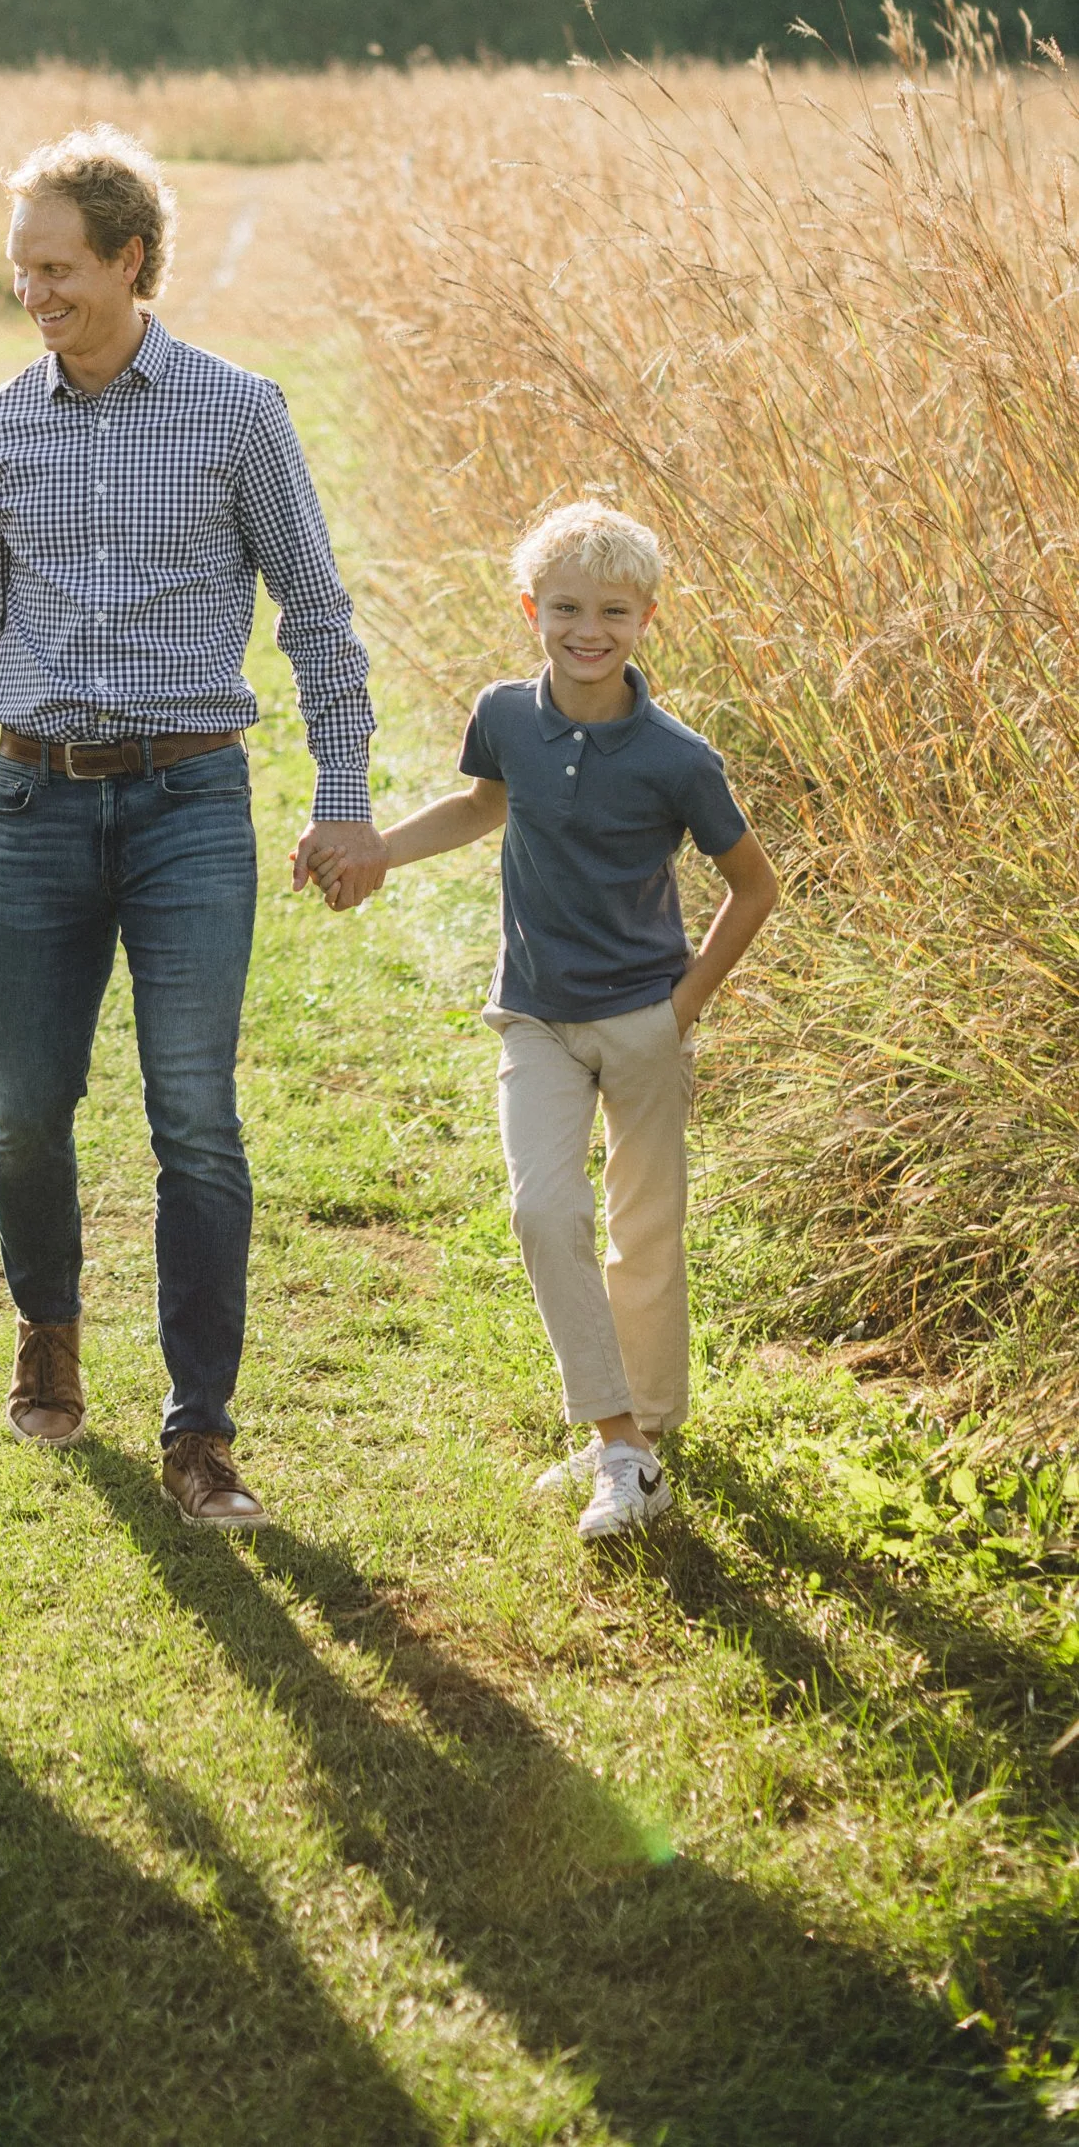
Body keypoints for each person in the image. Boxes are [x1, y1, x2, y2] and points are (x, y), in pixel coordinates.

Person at [0, 126, 379, 1529]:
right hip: (38, 803)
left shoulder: (238, 415)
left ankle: (201, 1432)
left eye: (57, 266)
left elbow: (320, 614)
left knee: (196, 1119)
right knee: (25, 1115)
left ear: (127, 259)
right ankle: (46, 1330)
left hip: (189, 804)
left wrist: (342, 798)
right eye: (19, 271)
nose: (34, 292)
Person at [300, 500, 778, 1540]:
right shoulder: (506, 715)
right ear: (531, 608)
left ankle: (641, 1437)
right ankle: (619, 1442)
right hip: (535, 1015)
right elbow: (482, 804)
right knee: (543, 1212)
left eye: (612, 609)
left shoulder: (677, 756)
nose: (587, 629)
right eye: (566, 607)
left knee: (644, 1231)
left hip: (644, 1020)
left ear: (648, 616)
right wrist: (375, 847)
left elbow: (754, 883)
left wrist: (685, 1003)